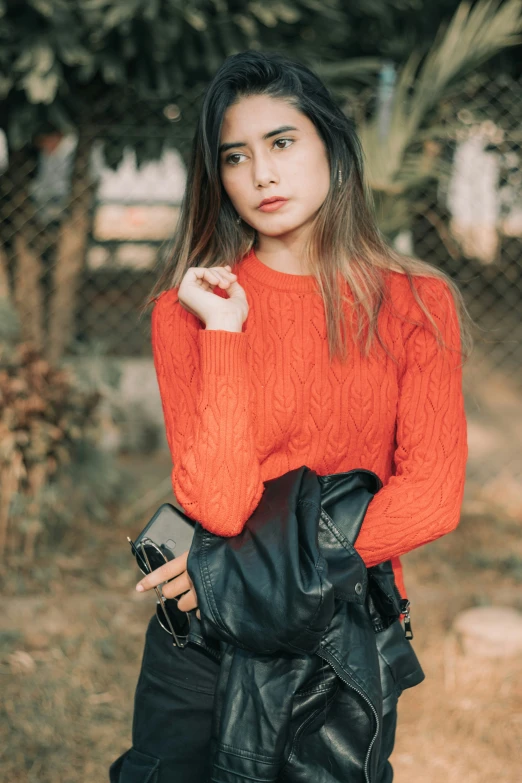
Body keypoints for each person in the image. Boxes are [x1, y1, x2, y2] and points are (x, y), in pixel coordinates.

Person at [109, 50, 471, 782]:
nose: (262, 174)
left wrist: (230, 567)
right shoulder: (188, 312)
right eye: (235, 157)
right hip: (208, 638)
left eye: (282, 142)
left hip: (345, 634)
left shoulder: (417, 306)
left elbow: (431, 499)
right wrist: (225, 333)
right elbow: (217, 501)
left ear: (331, 147)